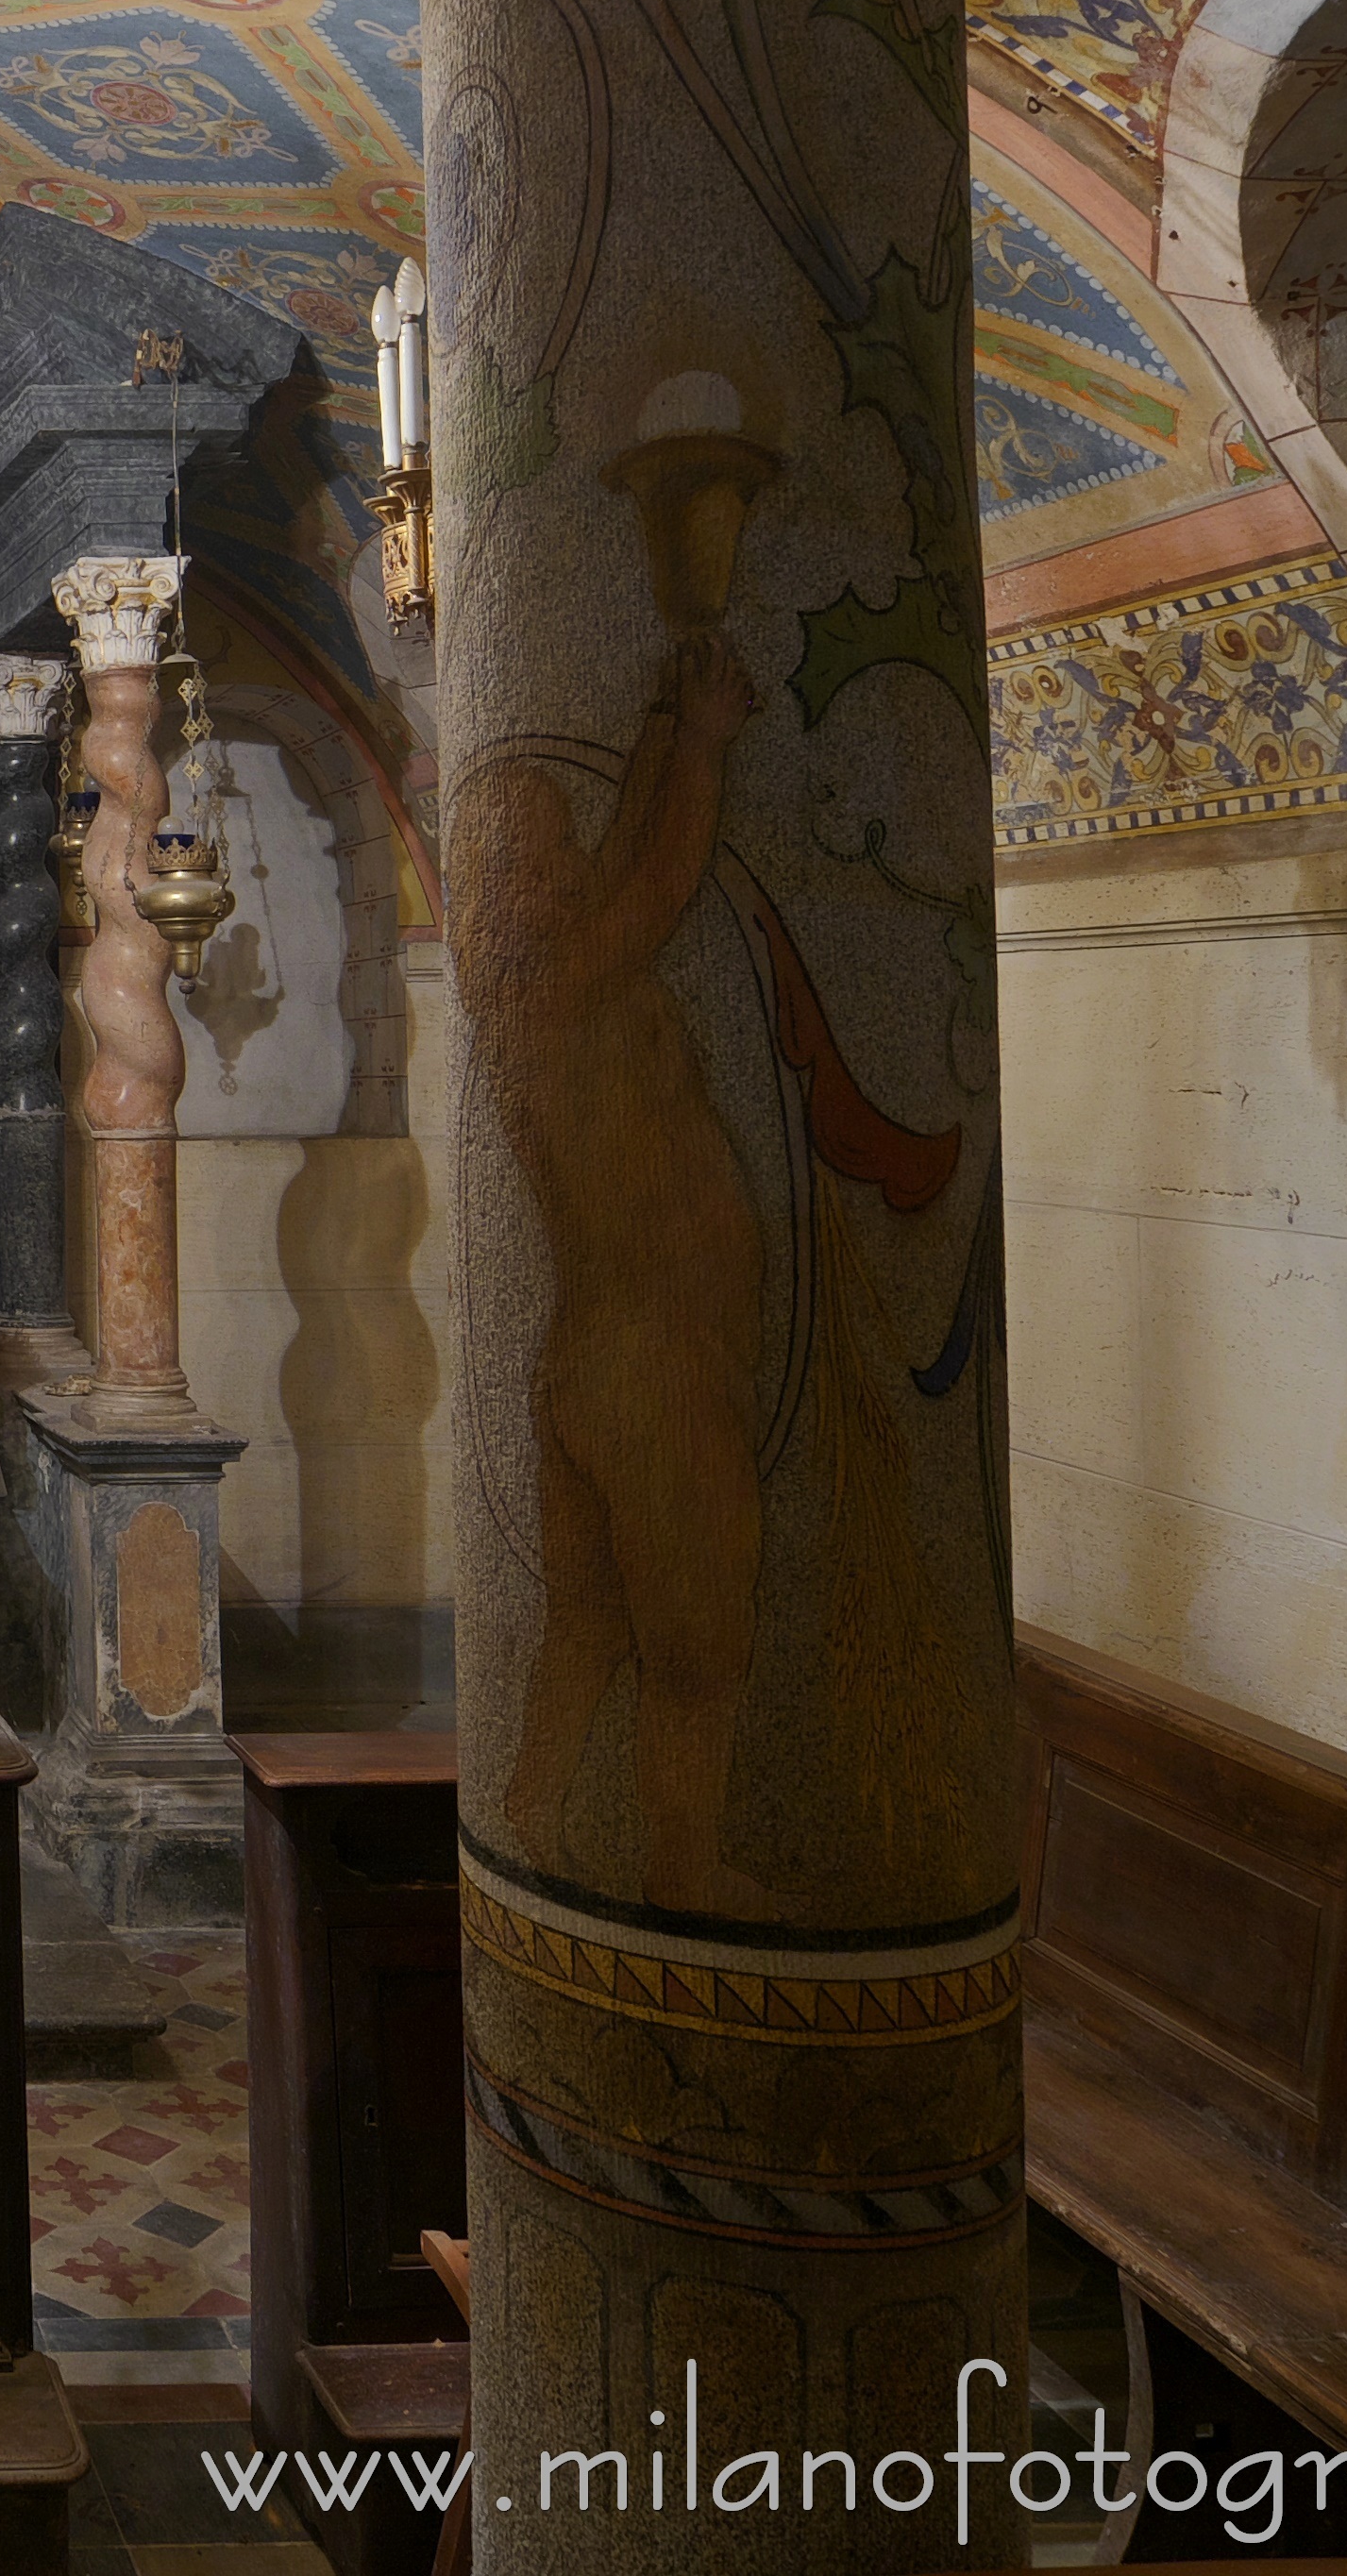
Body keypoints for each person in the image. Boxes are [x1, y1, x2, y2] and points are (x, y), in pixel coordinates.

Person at [449, 632, 766, 1918]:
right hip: (647, 1363)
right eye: (530, 853)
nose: (562, 863)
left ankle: (532, 1812)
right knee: (699, 1644)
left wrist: (655, 727)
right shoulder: (548, 978)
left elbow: (630, 865)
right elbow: (662, 883)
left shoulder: (537, 967)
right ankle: (683, 1869)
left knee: (588, 1621)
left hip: (595, 1357)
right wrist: (697, 742)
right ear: (497, 887)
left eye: (559, 840)